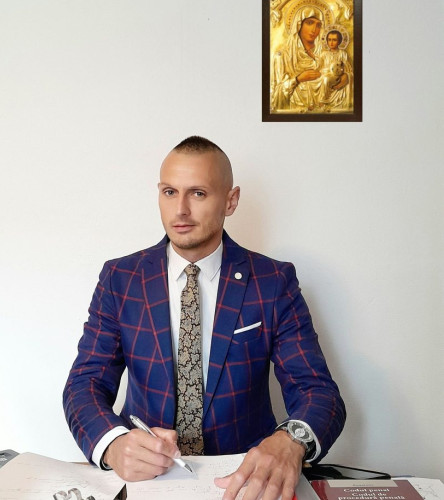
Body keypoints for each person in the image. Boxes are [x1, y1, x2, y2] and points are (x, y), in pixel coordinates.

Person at [63, 136, 346, 500]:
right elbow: (84, 383)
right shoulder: (121, 279)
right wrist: (113, 444)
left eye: (197, 193)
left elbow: (317, 390)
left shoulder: (273, 281)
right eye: (169, 192)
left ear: (230, 200)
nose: (180, 210)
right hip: (148, 483)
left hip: (244, 481)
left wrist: (292, 440)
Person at [271, 6, 326, 112]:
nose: (314, 29)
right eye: (309, 23)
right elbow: (275, 95)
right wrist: (297, 79)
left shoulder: (324, 54)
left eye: (318, 25)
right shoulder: (282, 56)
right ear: (298, 25)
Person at [318, 29, 352, 111]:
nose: (331, 42)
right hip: (325, 76)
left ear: (339, 41)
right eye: (329, 40)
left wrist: (345, 75)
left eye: (334, 40)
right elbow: (319, 68)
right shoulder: (324, 54)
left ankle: (323, 101)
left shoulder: (342, 54)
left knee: (326, 79)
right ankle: (322, 101)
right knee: (325, 79)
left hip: (338, 77)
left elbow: (348, 69)